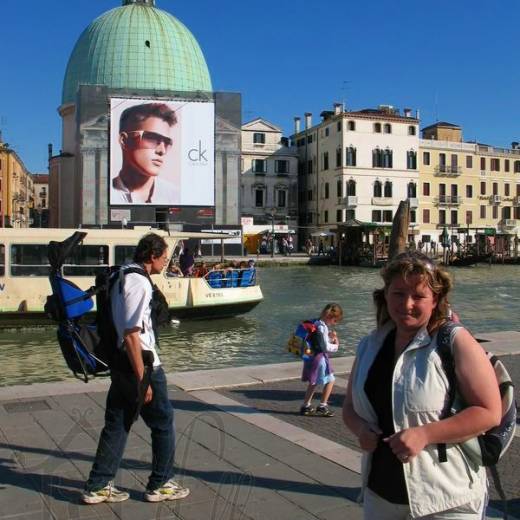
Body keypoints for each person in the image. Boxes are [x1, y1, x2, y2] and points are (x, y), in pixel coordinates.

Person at [342, 251, 501, 519]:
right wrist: (360, 429)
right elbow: (349, 406)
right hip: (380, 494)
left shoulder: (455, 341)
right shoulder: (370, 344)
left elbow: (489, 412)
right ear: (385, 294)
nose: (407, 304)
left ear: (435, 299)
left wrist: (425, 434)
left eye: (418, 296)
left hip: (446, 499)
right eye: (399, 294)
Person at [82, 233, 190, 504]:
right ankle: (161, 483)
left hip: (121, 362)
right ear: (152, 256)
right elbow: (132, 334)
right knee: (163, 423)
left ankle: (98, 485)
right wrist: (144, 380)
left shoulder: (120, 274)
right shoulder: (139, 283)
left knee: (117, 424)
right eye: (164, 257)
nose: (166, 262)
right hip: (140, 362)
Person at [111, 103, 178, 205]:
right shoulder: (104, 194)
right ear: (124, 140)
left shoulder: (176, 197)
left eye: (167, 142)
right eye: (151, 138)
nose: (162, 151)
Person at [300, 303, 344, 417]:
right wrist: (336, 343)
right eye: (335, 321)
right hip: (320, 359)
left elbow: (318, 341)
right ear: (331, 317)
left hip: (311, 357)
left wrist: (329, 337)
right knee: (331, 380)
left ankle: (306, 406)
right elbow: (325, 347)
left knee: (313, 382)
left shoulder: (315, 322)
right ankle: (322, 406)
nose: (335, 324)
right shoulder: (322, 327)